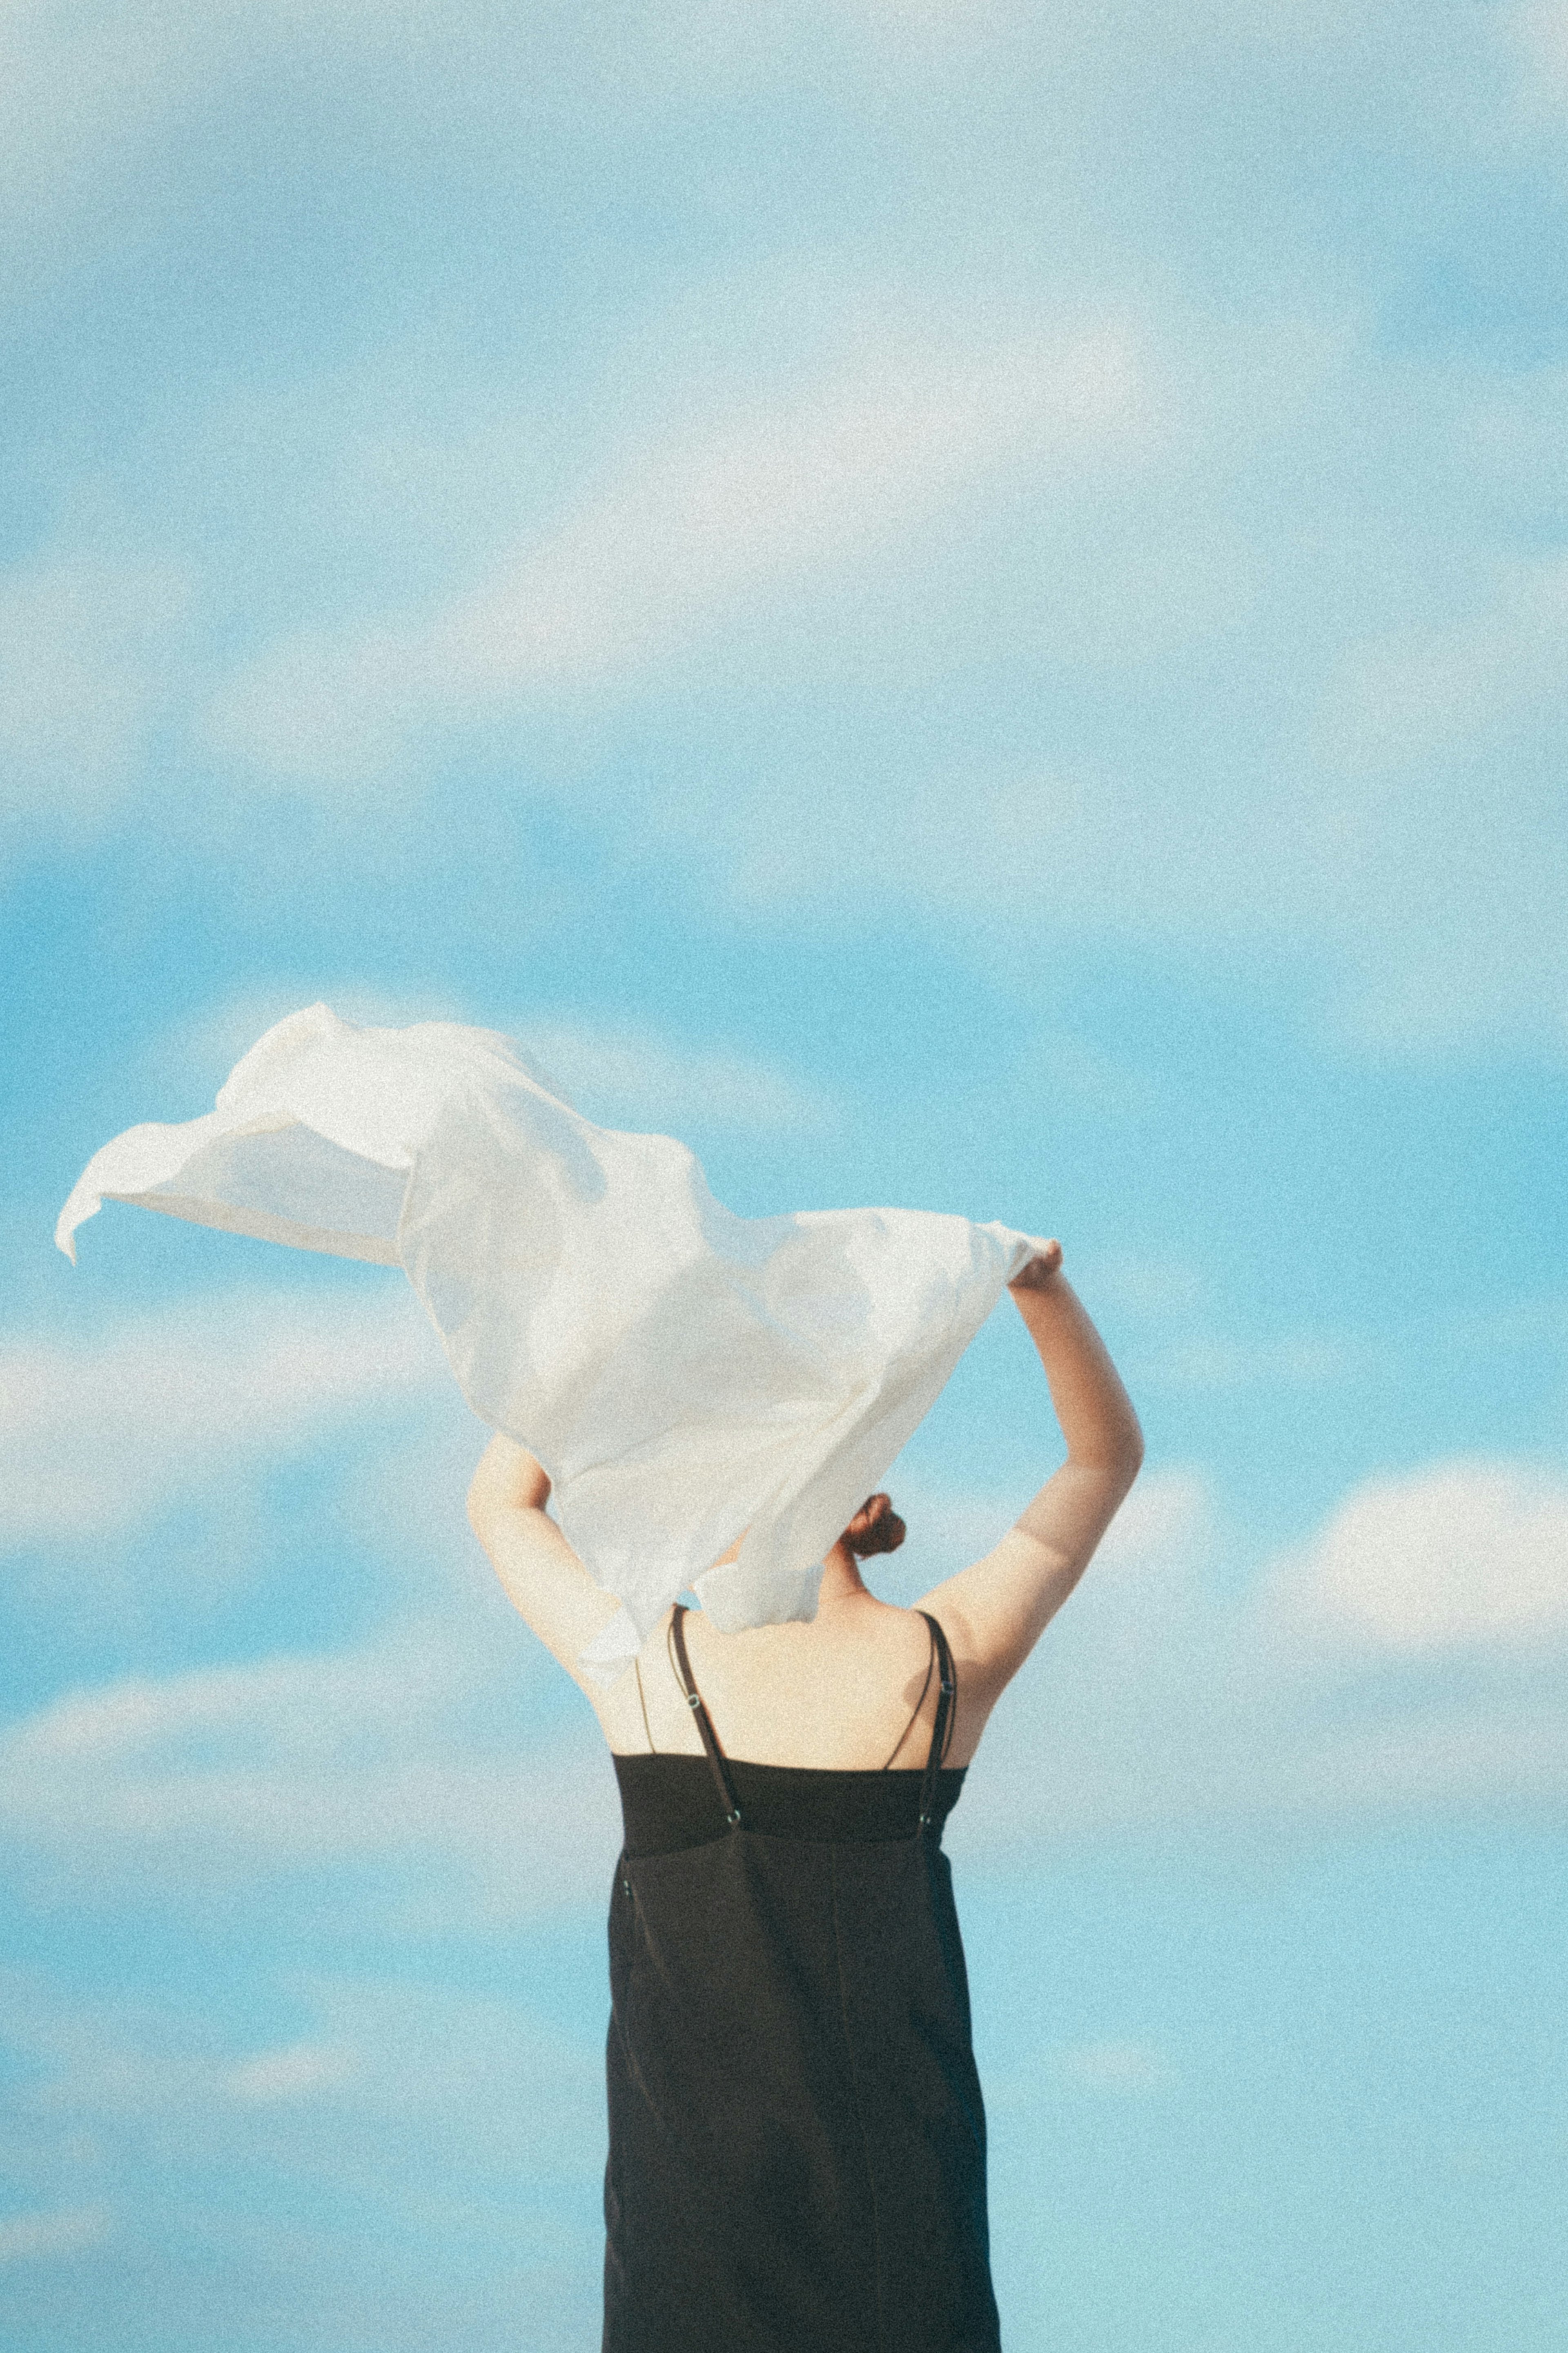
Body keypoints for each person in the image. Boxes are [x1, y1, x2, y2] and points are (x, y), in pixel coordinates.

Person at [466, 1238, 1143, 2353]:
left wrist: (606, 1307)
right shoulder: (941, 1660)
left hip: (694, 2271)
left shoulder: (648, 1668)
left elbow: (504, 1503)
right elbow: (1101, 1461)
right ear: (862, 1494)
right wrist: (1040, 1288)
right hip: (909, 2255)